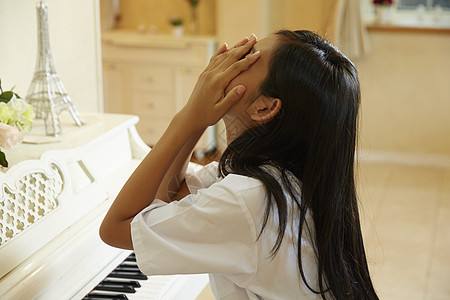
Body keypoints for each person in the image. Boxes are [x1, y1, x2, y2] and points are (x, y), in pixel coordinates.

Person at [100, 30, 379, 300]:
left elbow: (115, 229)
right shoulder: (267, 172)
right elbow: (165, 198)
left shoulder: (248, 199)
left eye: (250, 55)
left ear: (265, 108)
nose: (232, 56)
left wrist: (188, 117)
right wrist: (195, 117)